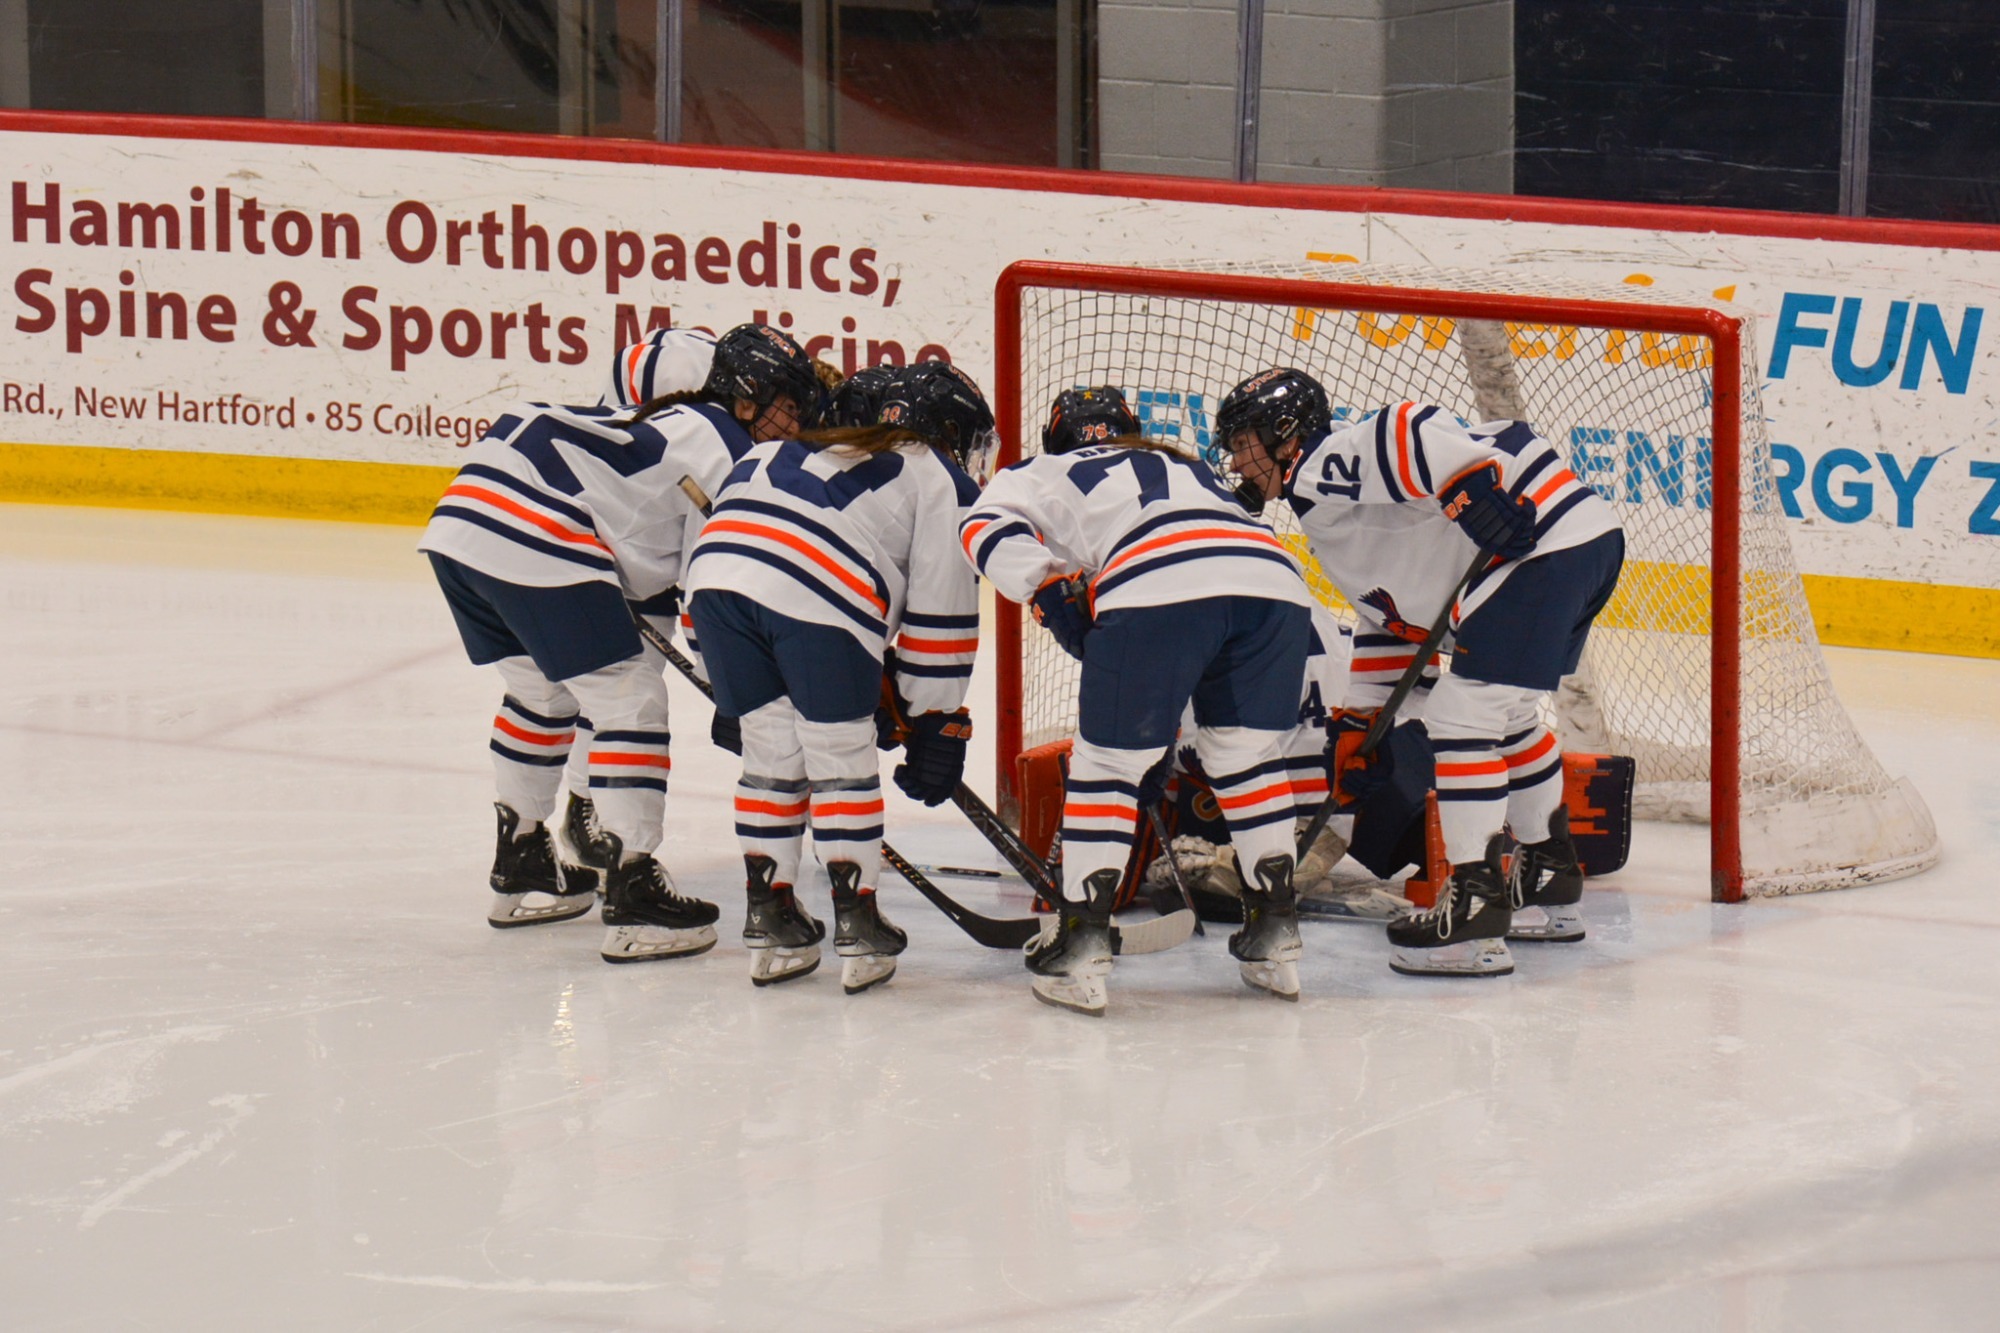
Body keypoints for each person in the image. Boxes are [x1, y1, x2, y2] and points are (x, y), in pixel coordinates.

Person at [418, 322, 821, 964]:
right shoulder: (727, 448)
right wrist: (736, 688)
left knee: (542, 696)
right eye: (789, 407)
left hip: (462, 519)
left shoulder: (672, 422)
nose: (795, 425)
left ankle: (522, 862)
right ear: (747, 399)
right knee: (630, 702)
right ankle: (636, 892)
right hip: (535, 525)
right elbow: (710, 583)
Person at [1215, 370, 1625, 977]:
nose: (1235, 461)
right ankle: (1548, 877)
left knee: (1461, 720)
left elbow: (1406, 425)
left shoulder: (1318, 465)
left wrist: (1468, 487)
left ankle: (1475, 906)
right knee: (1509, 718)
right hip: (1584, 541)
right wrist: (1360, 724)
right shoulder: (1330, 514)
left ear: (1285, 434)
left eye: (1242, 442)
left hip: (1542, 546)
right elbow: (1389, 617)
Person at [961, 386, 1316, 1014]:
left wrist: (1046, 586)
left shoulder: (1042, 470)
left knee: (1107, 766)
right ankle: (1275, 933)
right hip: (1275, 583)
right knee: (1247, 758)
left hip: (1156, 579)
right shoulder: (1186, 464)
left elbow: (979, 525)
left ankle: (1080, 943)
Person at [683, 360, 992, 993]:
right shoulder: (939, 477)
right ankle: (858, 922)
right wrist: (933, 717)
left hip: (713, 592)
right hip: (821, 592)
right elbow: (941, 615)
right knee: (839, 757)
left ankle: (770, 919)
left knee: (770, 756)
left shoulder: (772, 452)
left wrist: (721, 680)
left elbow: (717, 550)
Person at [549, 326, 729, 873]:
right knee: (619, 690)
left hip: (645, 534)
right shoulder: (698, 387)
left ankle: (586, 804)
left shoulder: (687, 377)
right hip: (622, 543)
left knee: (616, 690)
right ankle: (586, 802)